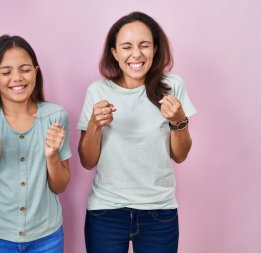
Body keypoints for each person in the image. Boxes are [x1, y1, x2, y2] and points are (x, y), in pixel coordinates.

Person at [78, 12, 197, 253]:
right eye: (126, 47)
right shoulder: (97, 91)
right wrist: (94, 125)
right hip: (106, 212)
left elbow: (180, 155)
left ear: (155, 48)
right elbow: (87, 161)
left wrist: (178, 120)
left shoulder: (172, 86)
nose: (136, 54)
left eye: (144, 45)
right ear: (114, 53)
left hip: (159, 213)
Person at [0, 35, 71, 253]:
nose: (17, 78)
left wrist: (52, 156)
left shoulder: (56, 116)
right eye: (6, 72)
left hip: (47, 237)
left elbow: (60, 186)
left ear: (36, 72)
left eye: (25, 69)